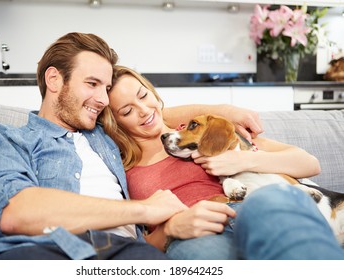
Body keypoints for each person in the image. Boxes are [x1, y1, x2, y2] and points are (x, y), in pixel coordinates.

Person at [0, 32, 262, 260]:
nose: (104, 100)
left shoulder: (106, 136)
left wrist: (225, 110)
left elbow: (153, 115)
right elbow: (16, 212)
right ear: (54, 79)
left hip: (130, 255)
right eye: (92, 84)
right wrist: (144, 210)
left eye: (106, 89)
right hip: (45, 252)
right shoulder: (3, 138)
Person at [101, 65, 343, 259]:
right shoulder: (122, 165)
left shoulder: (206, 131)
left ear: (152, 91)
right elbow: (133, 243)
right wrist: (168, 231)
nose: (143, 110)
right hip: (196, 232)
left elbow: (309, 163)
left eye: (143, 95)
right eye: (127, 111)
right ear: (116, 122)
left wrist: (242, 160)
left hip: (253, 207)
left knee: (277, 209)